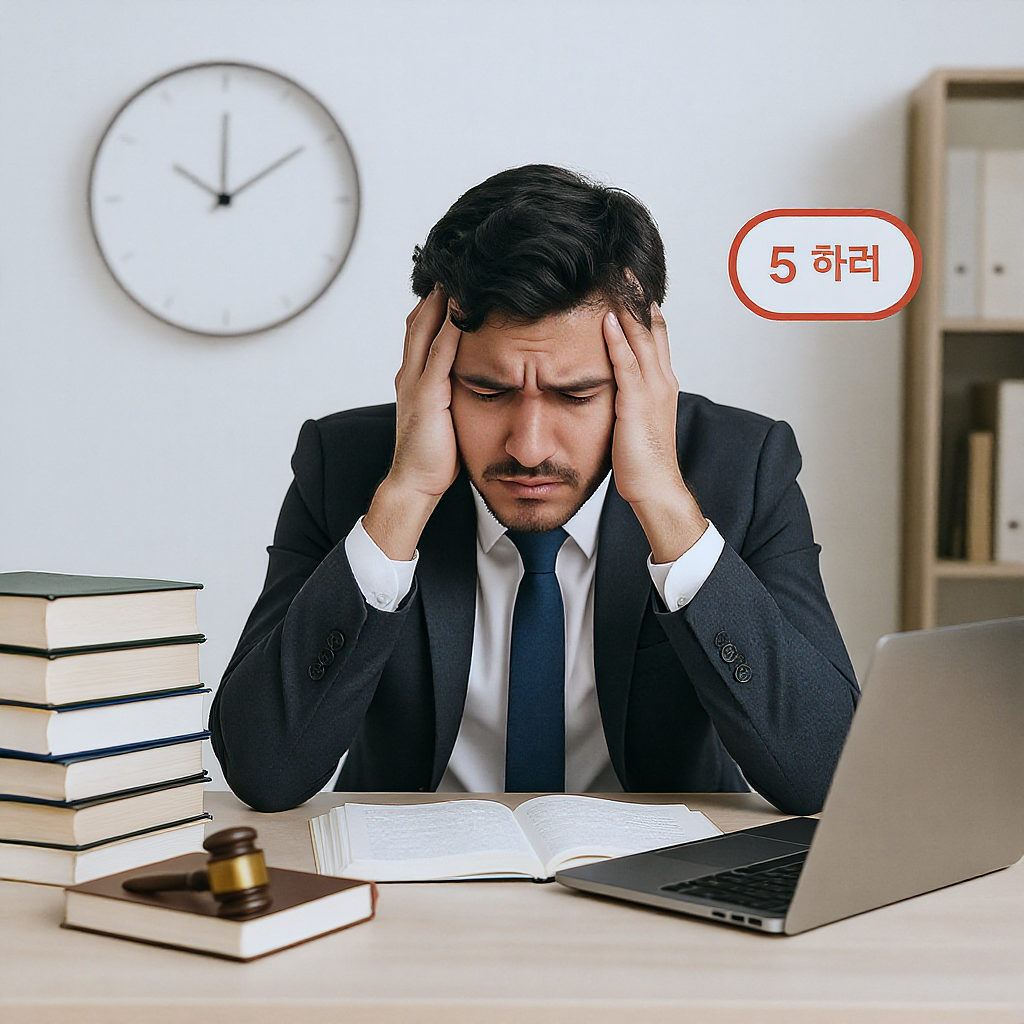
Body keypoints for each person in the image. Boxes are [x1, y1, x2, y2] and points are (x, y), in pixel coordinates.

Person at [210, 164, 859, 816]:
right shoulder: (345, 467)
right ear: (429, 367)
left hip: (666, 891)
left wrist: (665, 500)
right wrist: (404, 495)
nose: (529, 446)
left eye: (575, 394)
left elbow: (824, 774)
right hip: (409, 882)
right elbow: (265, 771)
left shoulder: (742, 467)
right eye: (488, 392)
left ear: (643, 376)